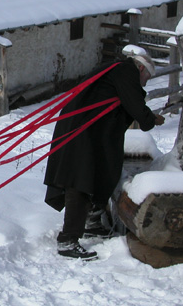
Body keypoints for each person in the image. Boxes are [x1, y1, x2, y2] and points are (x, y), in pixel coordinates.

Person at [44, 53, 165, 260]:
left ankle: (92, 220)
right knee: (80, 180)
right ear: (142, 69)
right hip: (82, 130)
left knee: (106, 169)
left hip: (88, 130)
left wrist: (147, 116)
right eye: (147, 79)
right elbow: (136, 105)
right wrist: (150, 119)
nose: (145, 83)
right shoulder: (127, 71)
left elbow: (126, 102)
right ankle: (68, 240)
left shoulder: (117, 70)